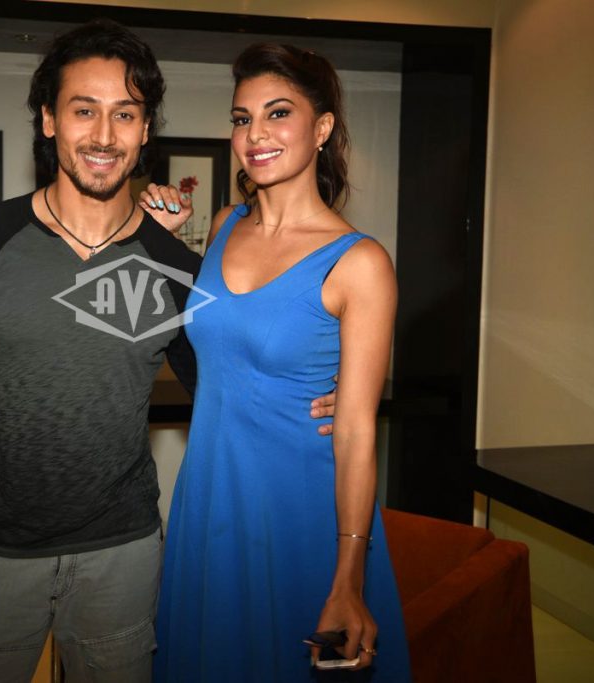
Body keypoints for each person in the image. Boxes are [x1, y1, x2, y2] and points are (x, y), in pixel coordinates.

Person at [0, 21, 337, 683]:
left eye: (125, 114)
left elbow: (223, 383)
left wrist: (323, 394)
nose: (104, 135)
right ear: (49, 120)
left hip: (125, 557)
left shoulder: (171, 265)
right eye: (84, 110)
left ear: (145, 129)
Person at [153, 43, 413, 682]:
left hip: (298, 508)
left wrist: (349, 574)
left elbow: (356, 431)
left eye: (278, 113)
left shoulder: (359, 262)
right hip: (209, 494)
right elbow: (216, 342)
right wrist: (159, 243)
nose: (255, 134)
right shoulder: (223, 225)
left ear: (321, 128)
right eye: (242, 118)